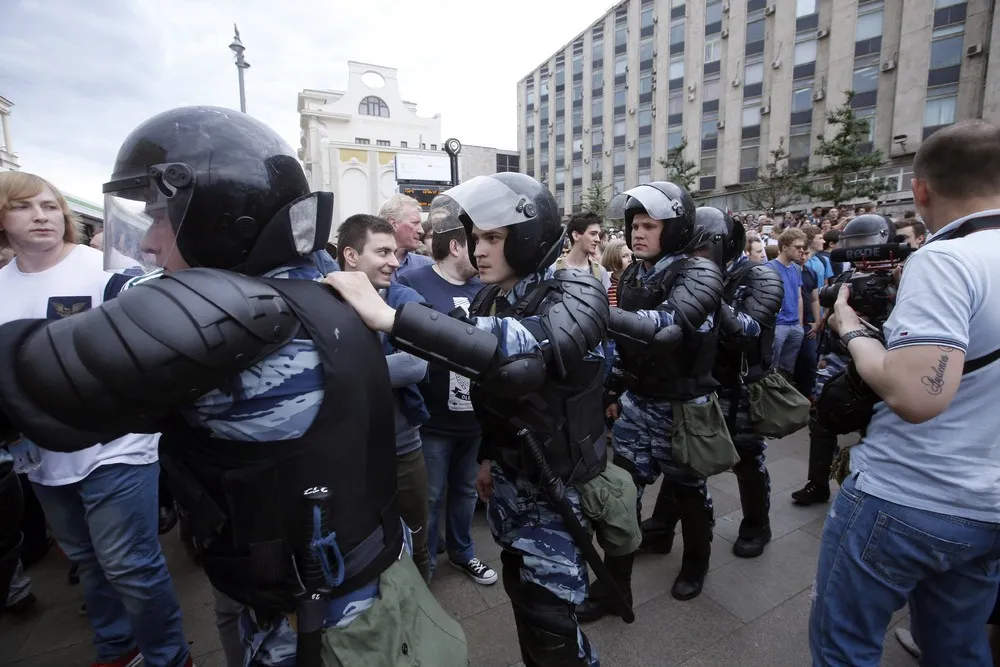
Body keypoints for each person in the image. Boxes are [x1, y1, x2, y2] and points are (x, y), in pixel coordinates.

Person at [0, 107, 467, 667]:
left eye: (159, 217)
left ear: (221, 217)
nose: (147, 243)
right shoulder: (320, 291)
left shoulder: (228, 318)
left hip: (314, 622)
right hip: (362, 580)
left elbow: (32, 383)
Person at [325, 172, 621, 666]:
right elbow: (493, 393)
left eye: (493, 238)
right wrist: (487, 459)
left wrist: (392, 318)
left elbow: (520, 343)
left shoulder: (575, 292)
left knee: (551, 624)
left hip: (556, 486)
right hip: (512, 476)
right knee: (526, 600)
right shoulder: (491, 294)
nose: (477, 250)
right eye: (476, 237)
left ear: (528, 238)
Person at [810, 120, 1000, 666]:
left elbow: (918, 395)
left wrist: (851, 328)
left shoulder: (948, 259)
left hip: (911, 495)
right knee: (957, 647)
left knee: (843, 646)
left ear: (919, 190)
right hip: (987, 505)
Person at [0, 171, 187, 667]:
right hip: (41, 457)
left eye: (49, 206)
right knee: (87, 561)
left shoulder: (106, 270)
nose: (40, 216)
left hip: (116, 446)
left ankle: (168, 657)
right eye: (23, 207)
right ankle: (118, 649)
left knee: (130, 565)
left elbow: (153, 341)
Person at [591, 182, 725, 610]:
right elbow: (627, 347)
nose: (637, 233)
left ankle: (696, 565)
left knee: (689, 493)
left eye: (649, 225)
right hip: (638, 403)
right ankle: (616, 588)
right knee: (622, 494)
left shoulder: (698, 272)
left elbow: (666, 326)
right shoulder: (634, 273)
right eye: (634, 225)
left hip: (683, 408)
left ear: (676, 228)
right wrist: (612, 387)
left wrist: (595, 314)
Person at [396, 209, 497, 585]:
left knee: (466, 492)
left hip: (474, 420)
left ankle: (463, 552)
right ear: (456, 246)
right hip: (432, 421)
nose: (483, 251)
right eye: (477, 242)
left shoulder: (486, 289)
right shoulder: (412, 283)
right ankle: (424, 568)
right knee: (431, 496)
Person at [337, 213, 432, 582]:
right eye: (382, 252)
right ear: (350, 255)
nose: (395, 261)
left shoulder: (404, 298)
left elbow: (415, 365)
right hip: (349, 454)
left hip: (402, 447)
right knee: (362, 547)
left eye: (394, 252)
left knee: (416, 538)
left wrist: (340, 373)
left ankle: (422, 603)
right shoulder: (322, 301)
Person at [767, 229, 807, 378]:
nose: (801, 251)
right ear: (784, 247)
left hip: (794, 324)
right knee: (771, 367)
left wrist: (799, 324)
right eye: (797, 247)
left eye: (803, 247)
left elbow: (799, 297)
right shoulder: (769, 268)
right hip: (778, 325)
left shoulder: (796, 268)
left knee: (787, 370)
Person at [379, 193, 432, 280]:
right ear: (393, 224)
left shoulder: (427, 267)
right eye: (415, 223)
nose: (421, 231)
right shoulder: (367, 265)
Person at [556, 211, 612, 290]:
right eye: (593, 234)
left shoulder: (600, 272)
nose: (598, 239)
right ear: (576, 235)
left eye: (598, 235)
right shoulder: (552, 270)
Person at [600, 237, 632, 308]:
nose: (630, 259)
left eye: (631, 255)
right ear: (613, 260)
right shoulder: (605, 287)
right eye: (624, 256)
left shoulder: (637, 285)